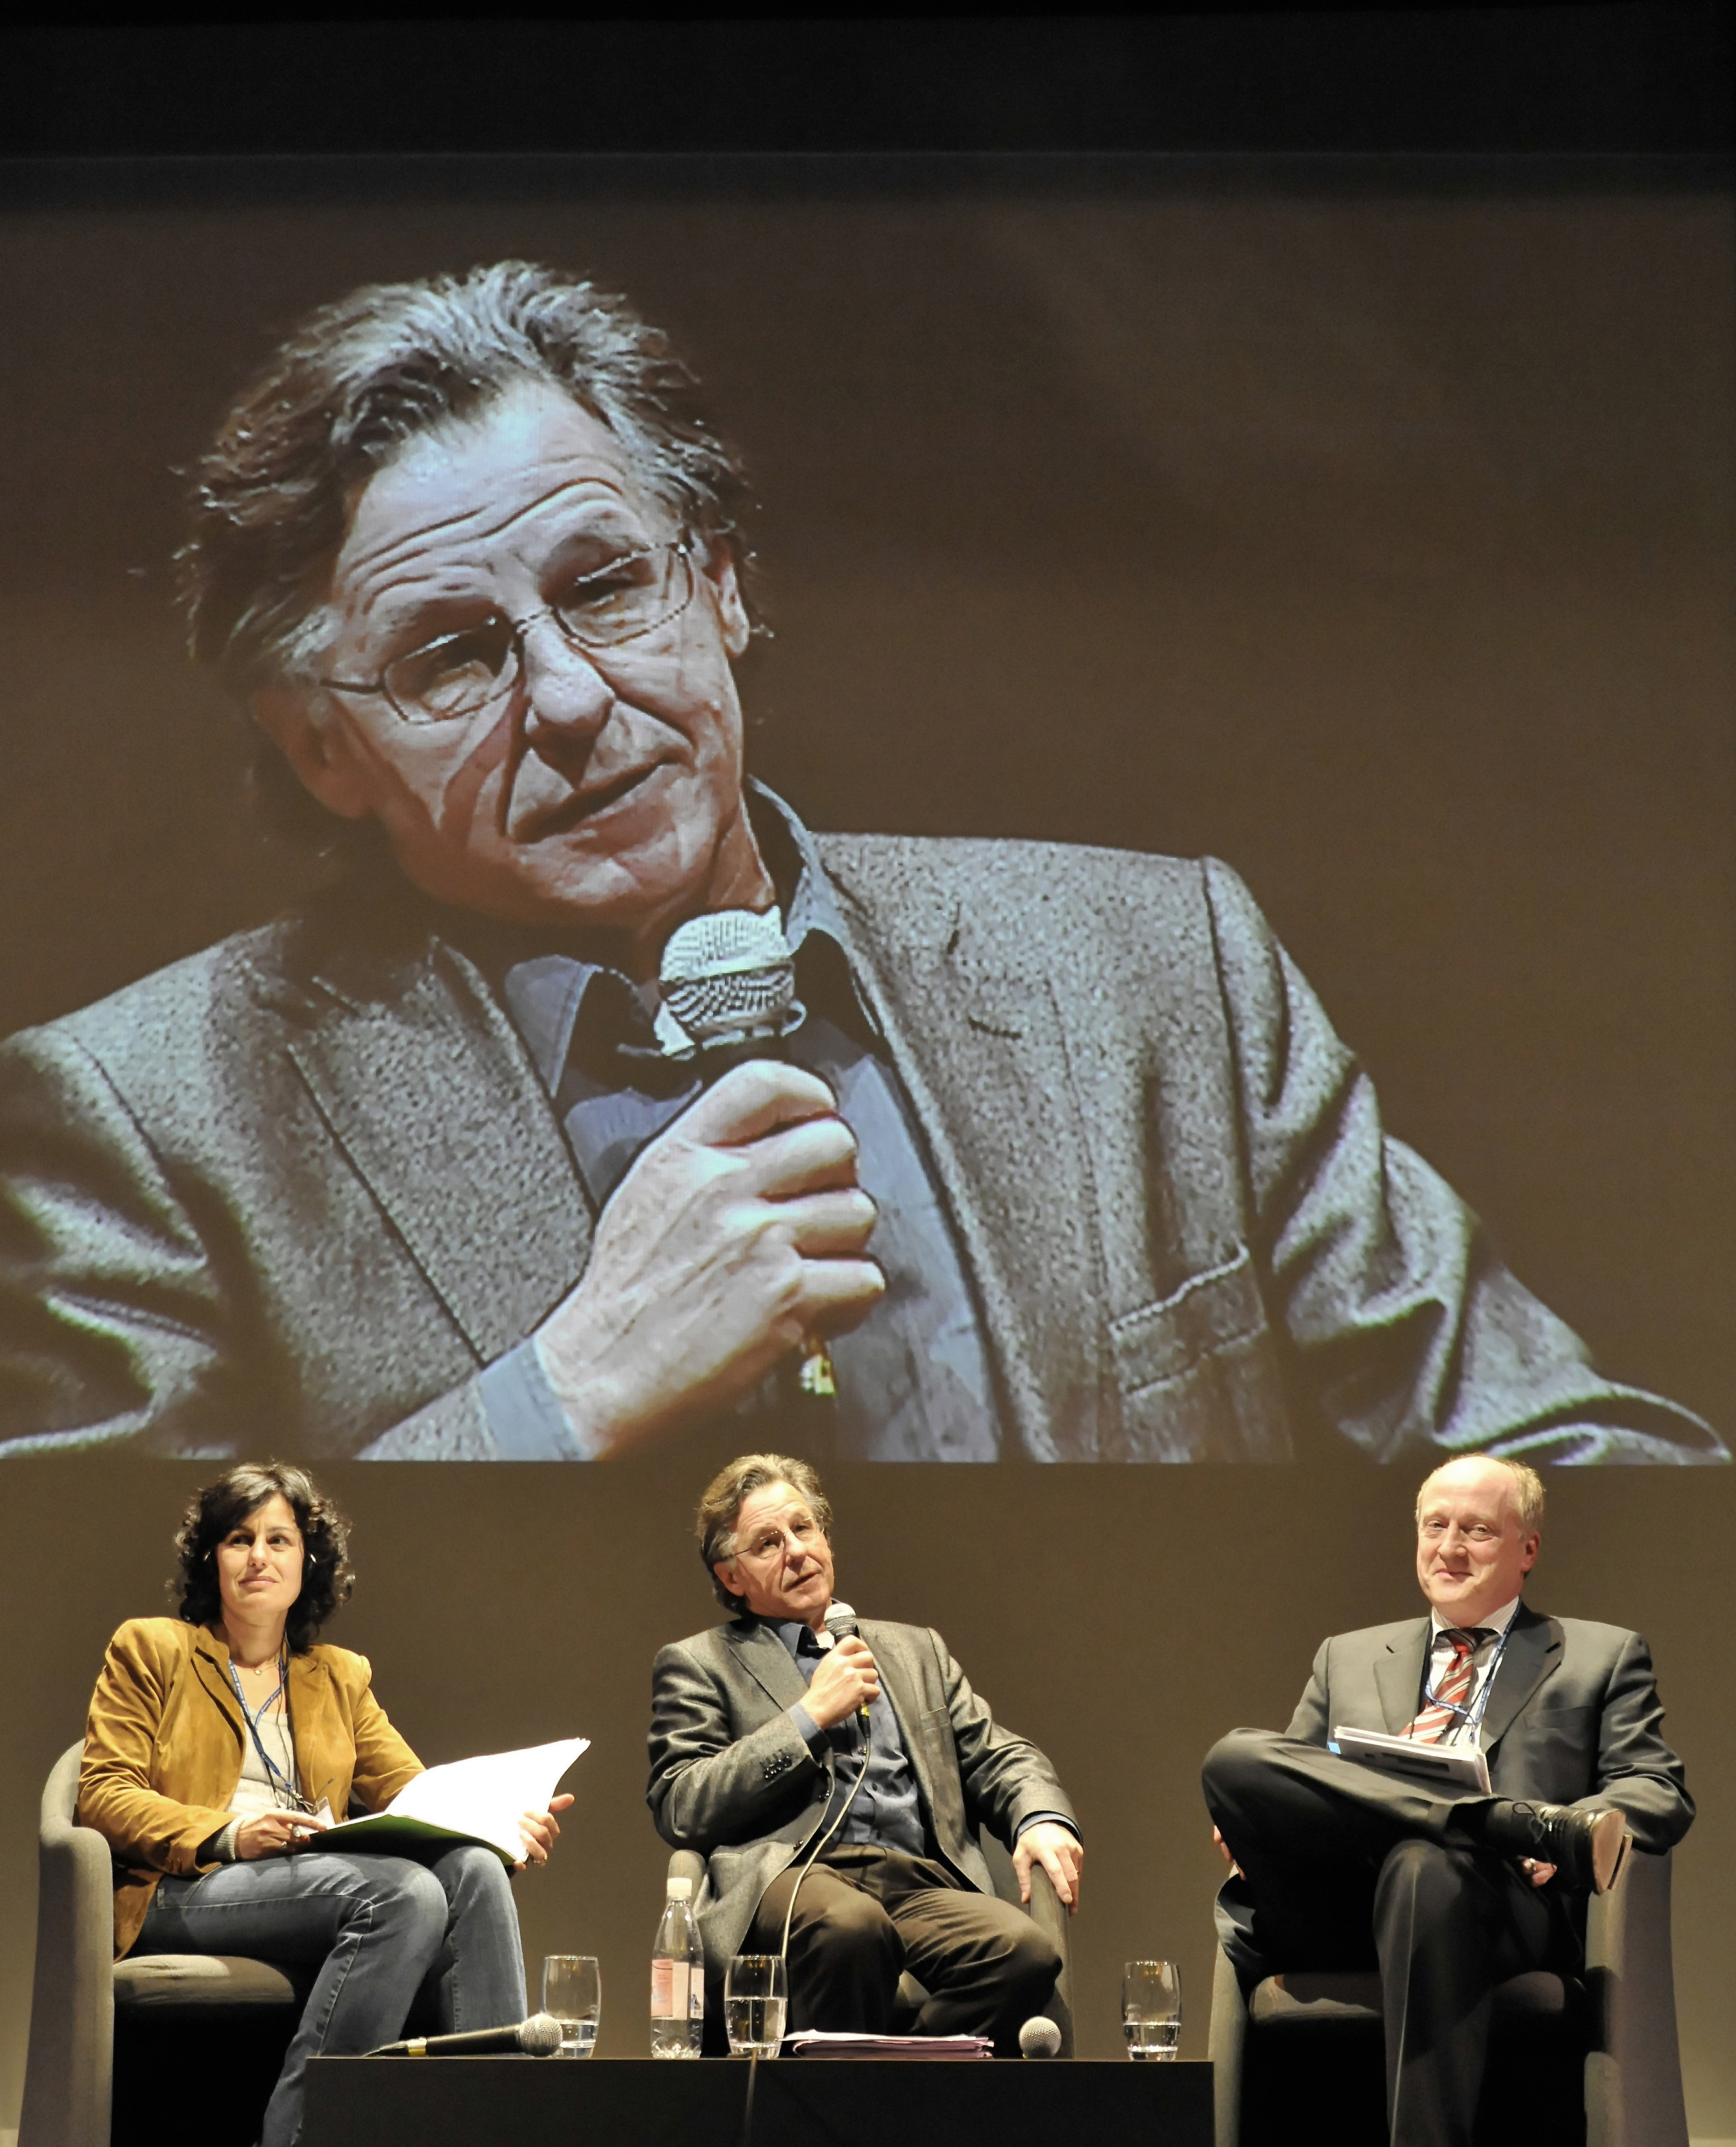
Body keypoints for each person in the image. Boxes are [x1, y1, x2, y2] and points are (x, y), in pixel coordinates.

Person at [0, 260, 1721, 1467]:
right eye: (457, 655)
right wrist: (564, 1400)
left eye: (607, 588)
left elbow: (1565, 1461)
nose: (578, 704)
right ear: (324, 747)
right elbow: (94, 1692)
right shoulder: (146, 1124)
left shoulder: (1155, 974)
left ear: (724, 585)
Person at [1200, 1452, 1694, 2147]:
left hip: (1491, 1907)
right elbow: (1292, 1777)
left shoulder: (1598, 1657)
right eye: (1437, 1526)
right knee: (1235, 1756)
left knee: (1426, 1863)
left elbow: (1658, 1789)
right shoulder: (1347, 1656)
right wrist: (1262, 1823)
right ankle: (1490, 1816)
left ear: (1526, 1548)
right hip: (1339, 1905)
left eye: (1477, 1530)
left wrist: (1576, 1819)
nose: (1451, 1548)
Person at [76, 1461, 571, 2147]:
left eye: (279, 1539)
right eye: (239, 1539)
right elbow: (104, 1792)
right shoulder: (152, 1648)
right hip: (187, 1888)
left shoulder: (338, 1675)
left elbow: (421, 1797)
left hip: (314, 1889)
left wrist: (498, 1821)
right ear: (210, 1559)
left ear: (309, 1561)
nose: (259, 1556)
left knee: (472, 1868)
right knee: (400, 1893)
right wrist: (232, 1831)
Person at [646, 1451, 1080, 2052]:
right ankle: (845, 2114)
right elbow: (681, 1802)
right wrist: (807, 1718)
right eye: (768, 1543)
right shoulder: (701, 1663)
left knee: (1025, 1953)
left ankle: (886, 2072)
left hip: (919, 1881)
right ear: (731, 1577)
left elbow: (997, 1753)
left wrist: (1040, 1816)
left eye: (804, 1528)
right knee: (853, 1928)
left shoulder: (914, 1650)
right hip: (797, 1877)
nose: (796, 1551)